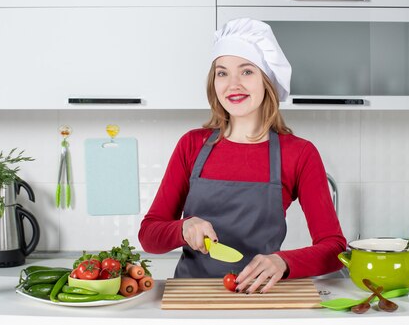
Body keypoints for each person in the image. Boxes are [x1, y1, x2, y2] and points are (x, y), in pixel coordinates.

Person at [139, 18, 346, 293]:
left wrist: (283, 262)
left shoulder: (299, 153)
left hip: (260, 298)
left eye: (246, 71)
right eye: (222, 73)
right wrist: (183, 228)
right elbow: (149, 235)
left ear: (267, 80)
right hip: (191, 298)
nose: (232, 84)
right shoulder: (191, 145)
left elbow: (334, 248)